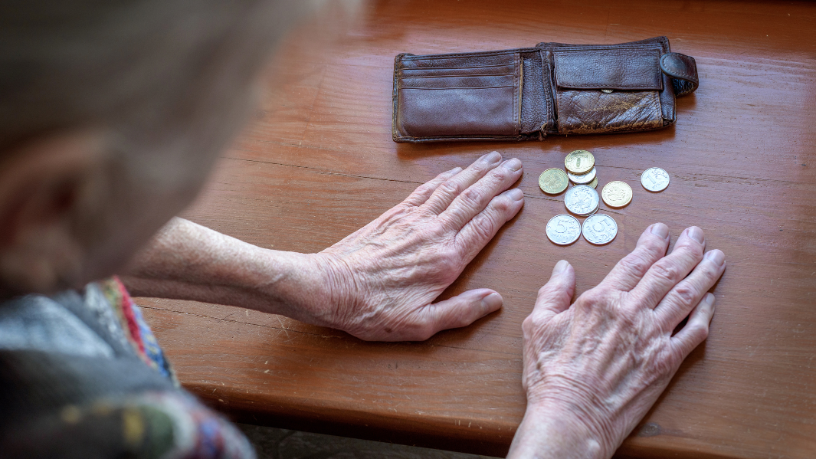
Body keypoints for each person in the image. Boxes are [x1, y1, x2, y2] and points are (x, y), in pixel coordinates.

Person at [0, 1, 726, 458]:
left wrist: (309, 281)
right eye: (218, 119)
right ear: (51, 193)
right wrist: (570, 426)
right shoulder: (115, 434)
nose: (251, 116)